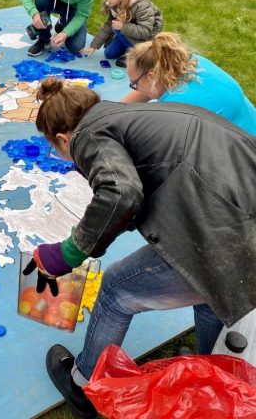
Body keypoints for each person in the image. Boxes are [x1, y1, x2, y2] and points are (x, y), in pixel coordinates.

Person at [25, 77, 256, 418]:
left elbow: (121, 192)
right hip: (241, 216)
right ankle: (210, 374)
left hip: (230, 237)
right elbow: (159, 175)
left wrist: (67, 253)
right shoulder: (130, 115)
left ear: (62, 138)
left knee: (117, 289)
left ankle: (84, 386)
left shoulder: (87, 134)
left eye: (56, 149)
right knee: (211, 292)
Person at [121, 32, 256, 134]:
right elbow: (145, 93)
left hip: (245, 152)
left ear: (151, 76)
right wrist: (112, 110)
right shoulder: (188, 61)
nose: (135, 89)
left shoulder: (174, 109)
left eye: (134, 84)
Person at [79, 0, 163, 67]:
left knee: (116, 27)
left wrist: (122, 27)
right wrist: (93, 46)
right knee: (109, 54)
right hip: (129, 32)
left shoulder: (142, 5)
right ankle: (129, 47)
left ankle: (141, 53)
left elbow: (146, 31)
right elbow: (108, 25)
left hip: (146, 39)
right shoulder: (116, 3)